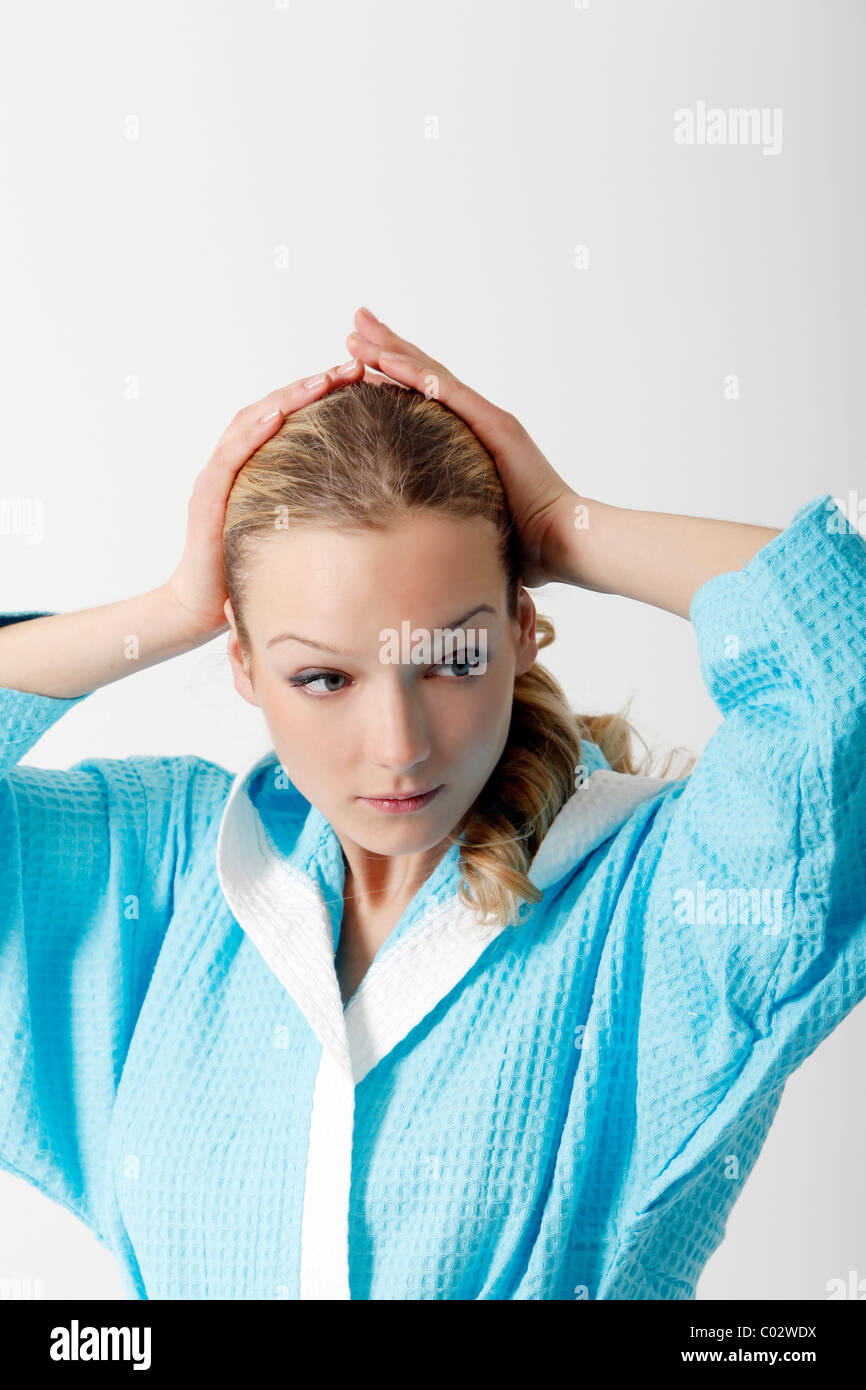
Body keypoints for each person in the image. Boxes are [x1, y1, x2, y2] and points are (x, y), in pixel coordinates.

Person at [0, 306, 863, 1301]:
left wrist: (565, 526)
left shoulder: (657, 904)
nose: (400, 745)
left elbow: (841, 673)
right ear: (242, 662)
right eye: (324, 677)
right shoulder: (157, 874)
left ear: (523, 624)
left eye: (453, 657)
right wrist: (164, 613)